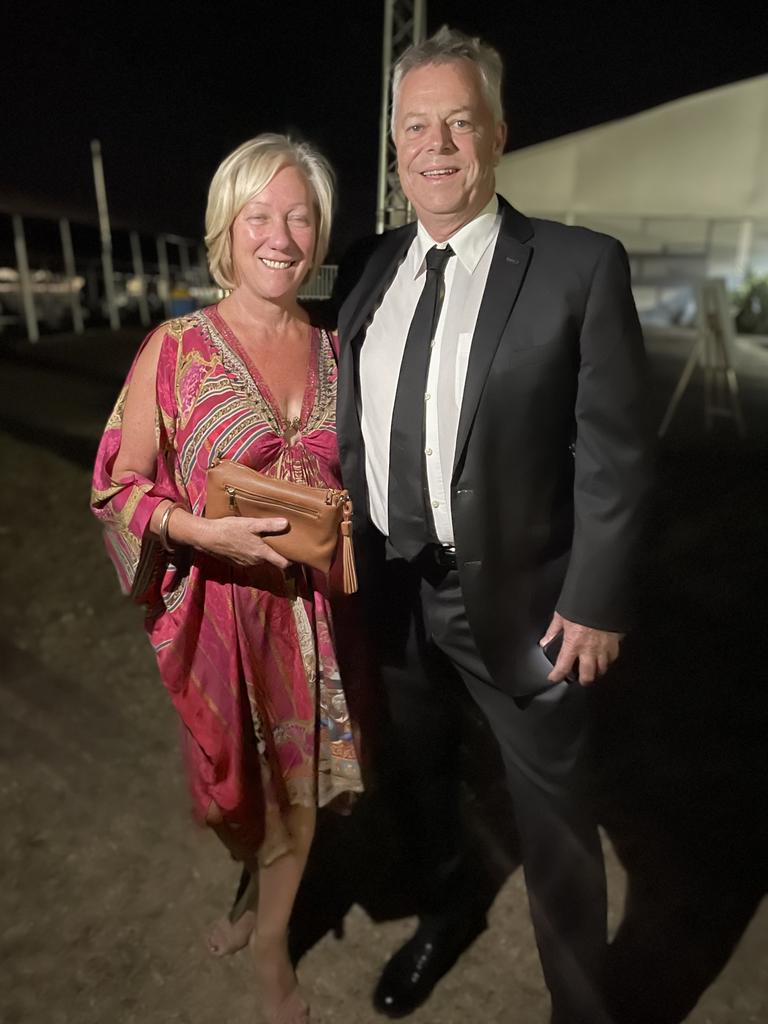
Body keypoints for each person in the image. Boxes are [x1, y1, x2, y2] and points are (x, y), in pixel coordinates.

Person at [335, 27, 653, 1024]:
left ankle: (582, 1007)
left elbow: (617, 453)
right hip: (387, 593)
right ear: (393, 145)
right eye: (416, 126)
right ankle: (447, 907)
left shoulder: (577, 267)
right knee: (419, 777)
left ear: (499, 133)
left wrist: (597, 596)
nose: (437, 146)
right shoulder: (365, 268)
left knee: (557, 821)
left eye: (459, 123)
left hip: (524, 600)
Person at [91, 133, 362, 1024]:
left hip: (309, 621)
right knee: (233, 796)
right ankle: (252, 878)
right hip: (216, 616)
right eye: (261, 215)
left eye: (300, 215)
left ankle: (275, 944)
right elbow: (116, 487)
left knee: (301, 793)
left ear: (319, 233)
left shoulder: (335, 353)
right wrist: (198, 529)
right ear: (228, 229)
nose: (281, 234)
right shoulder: (175, 349)